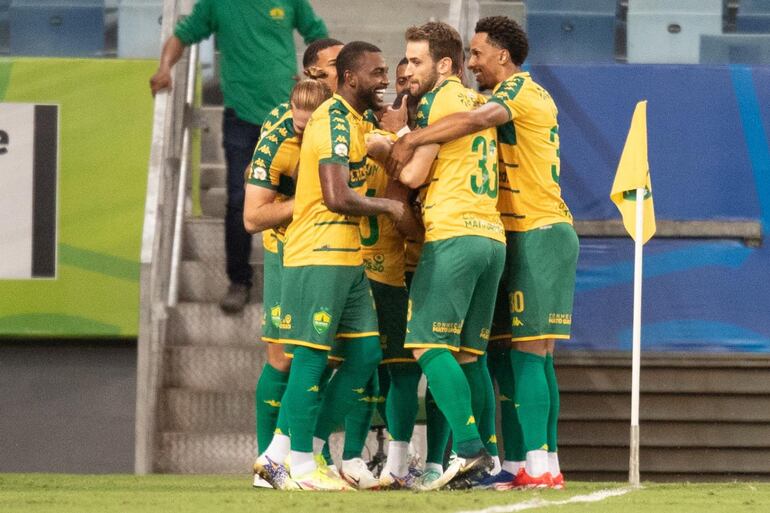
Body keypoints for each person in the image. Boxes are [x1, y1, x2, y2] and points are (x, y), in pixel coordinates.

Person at [387, 16, 579, 489]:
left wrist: (407, 136)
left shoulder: (513, 94)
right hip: (504, 233)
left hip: (532, 227)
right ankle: (534, 463)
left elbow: (475, 120)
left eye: (478, 53)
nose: (473, 63)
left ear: (503, 56)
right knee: (506, 356)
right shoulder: (492, 96)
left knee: (527, 355)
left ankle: (511, 458)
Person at [254, 41, 404, 491]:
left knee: (365, 355)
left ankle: (285, 453)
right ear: (352, 78)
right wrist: (389, 208)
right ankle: (300, 465)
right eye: (378, 73)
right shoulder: (334, 119)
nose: (385, 80)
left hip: (347, 256)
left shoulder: (356, 121)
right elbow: (337, 196)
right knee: (310, 357)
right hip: (318, 251)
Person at [149, 0, 328, 313]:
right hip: (241, 119)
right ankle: (239, 281)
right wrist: (164, 68)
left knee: (301, 193)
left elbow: (320, 38)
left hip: (291, 117)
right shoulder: (217, 3)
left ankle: (301, 275)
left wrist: (317, 77)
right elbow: (181, 36)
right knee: (237, 199)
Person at [394, 21, 506, 490]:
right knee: (468, 356)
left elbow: (416, 175)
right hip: (491, 236)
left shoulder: (441, 101)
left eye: (417, 61)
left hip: (454, 234)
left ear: (444, 65)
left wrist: (391, 143)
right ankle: (493, 461)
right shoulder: (478, 101)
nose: (409, 71)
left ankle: (469, 449)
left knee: (427, 345)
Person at [242, 79, 332, 488]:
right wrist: (312, 199)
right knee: (285, 358)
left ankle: (310, 455)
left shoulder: (344, 122)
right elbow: (251, 217)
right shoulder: (280, 133)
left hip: (332, 251)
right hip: (288, 252)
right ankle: (272, 463)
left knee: (338, 356)